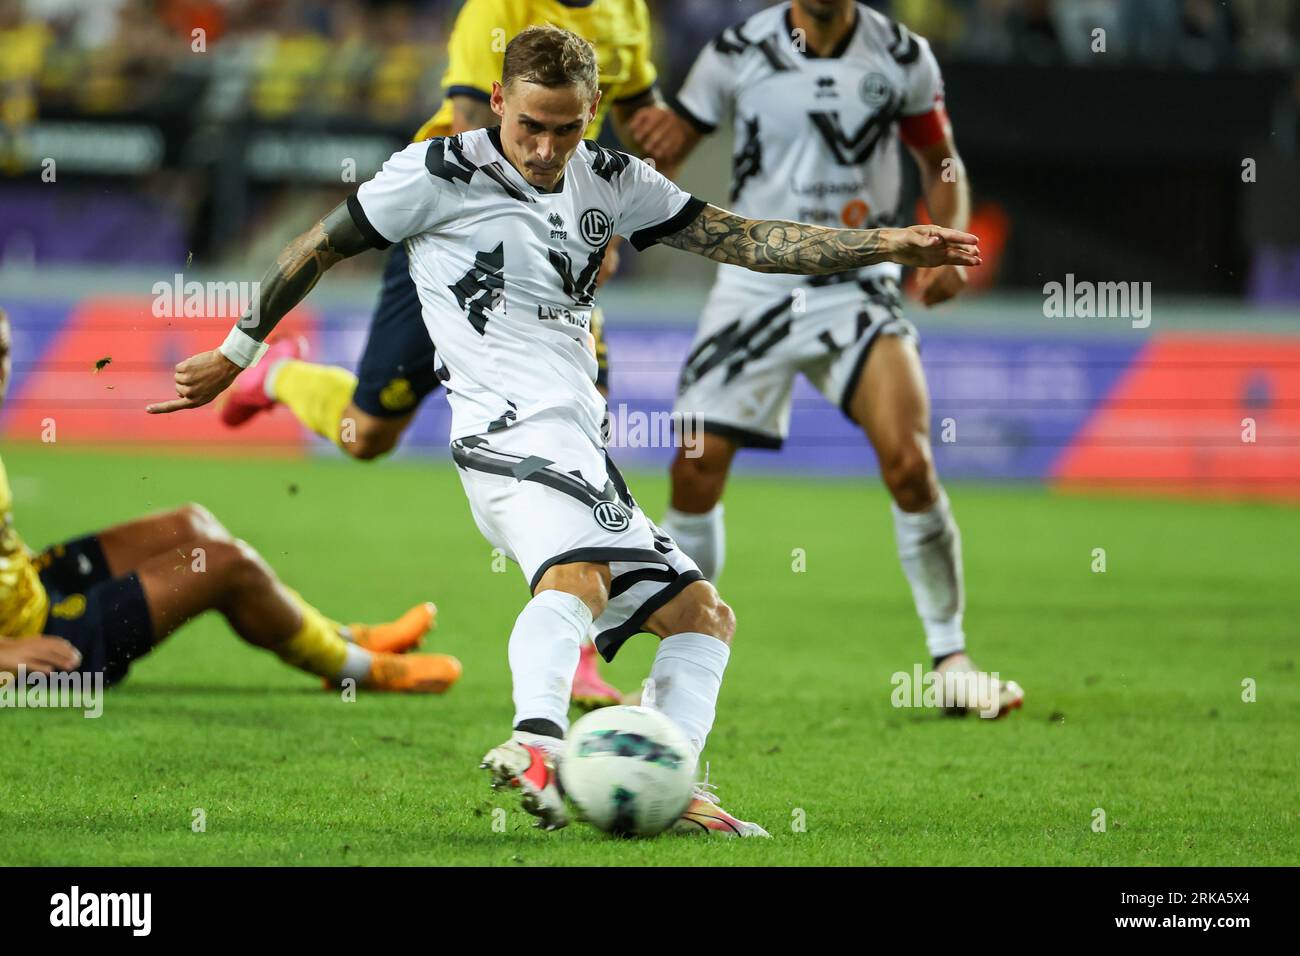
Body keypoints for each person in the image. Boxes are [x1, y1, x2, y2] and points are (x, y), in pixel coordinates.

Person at [148, 26, 980, 834]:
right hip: (506, 435)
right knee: (577, 575)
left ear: (592, 113)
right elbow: (318, 247)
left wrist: (885, 243)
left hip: (579, 437)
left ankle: (668, 779)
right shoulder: (435, 171)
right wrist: (233, 349)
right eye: (528, 127)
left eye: (565, 128)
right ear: (498, 101)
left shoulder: (615, 179)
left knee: (702, 616)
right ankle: (537, 742)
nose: (545, 149)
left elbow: (751, 240)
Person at [217, 0, 681, 711]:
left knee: (583, 431)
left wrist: (634, 173)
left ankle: (578, 649)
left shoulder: (629, 14)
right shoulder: (497, 11)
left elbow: (640, 111)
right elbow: (472, 131)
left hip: (552, 262)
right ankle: (282, 376)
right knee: (368, 435)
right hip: (448, 236)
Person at [632, 0, 1023, 716]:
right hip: (753, 281)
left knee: (908, 462)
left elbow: (941, 162)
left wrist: (952, 237)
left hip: (858, 280)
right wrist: (612, 215)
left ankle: (952, 659)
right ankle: (673, 669)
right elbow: (669, 147)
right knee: (693, 466)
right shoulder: (736, 49)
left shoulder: (902, 55)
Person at [0, 308, 460, 694]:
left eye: (3, 351)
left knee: (190, 524)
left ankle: (340, 637)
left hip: (32, 586)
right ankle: (358, 670)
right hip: (39, 640)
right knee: (223, 565)